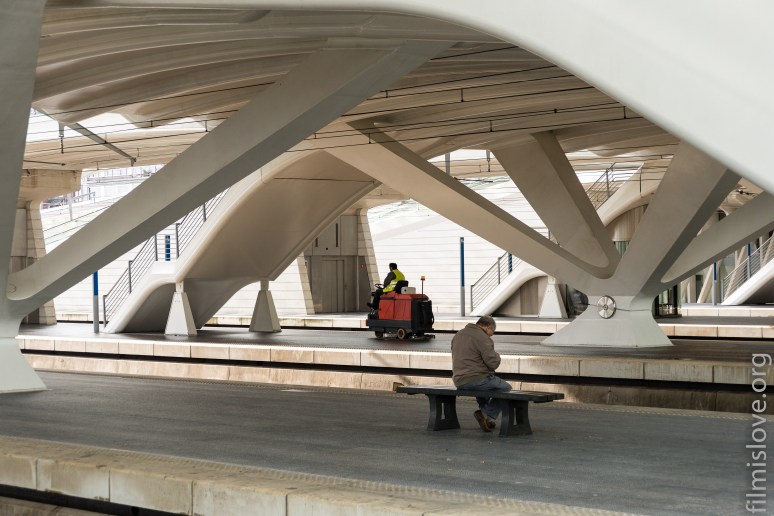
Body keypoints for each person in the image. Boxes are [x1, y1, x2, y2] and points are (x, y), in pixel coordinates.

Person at [450, 315, 512, 432]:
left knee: (483, 390)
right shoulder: (482, 337)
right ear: (488, 328)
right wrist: (498, 356)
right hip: (476, 379)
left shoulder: (458, 334)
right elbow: (493, 363)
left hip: (459, 380)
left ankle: (488, 419)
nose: (492, 335)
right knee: (505, 388)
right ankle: (485, 413)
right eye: (492, 331)